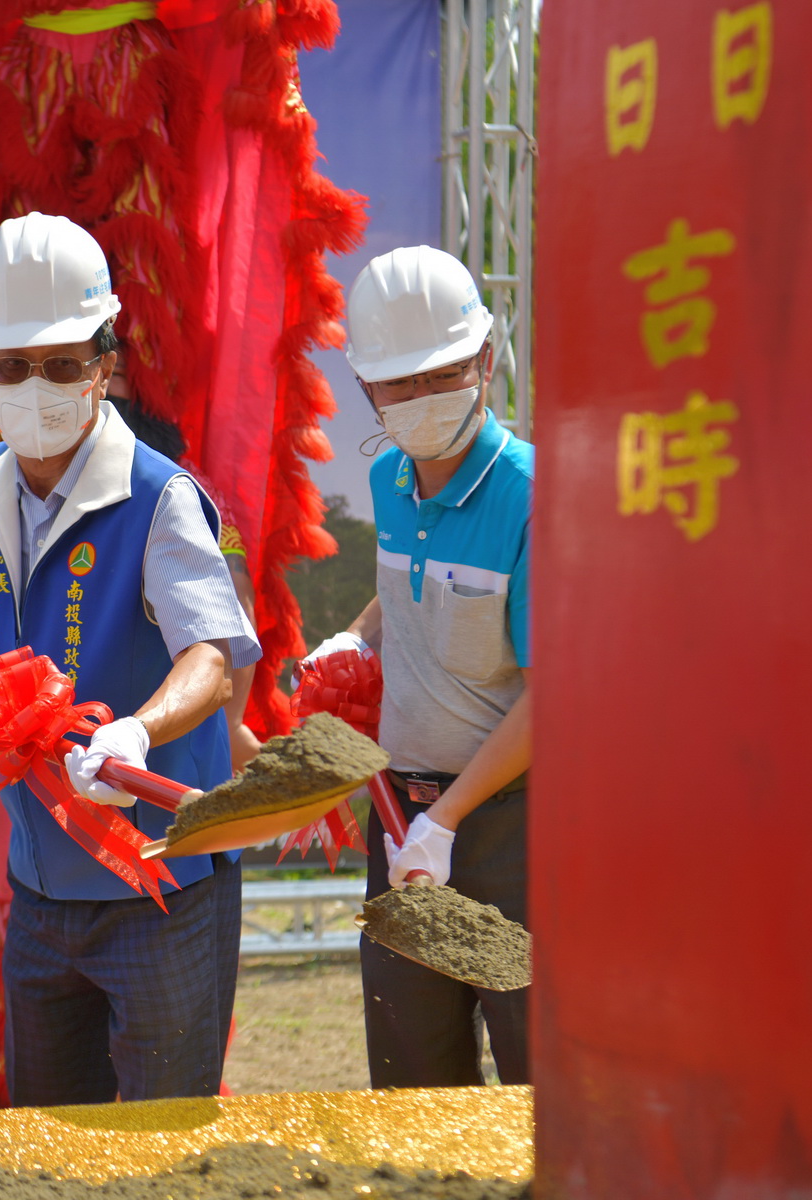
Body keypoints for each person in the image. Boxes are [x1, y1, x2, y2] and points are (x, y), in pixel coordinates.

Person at [0, 212, 261, 1106]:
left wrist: (137, 733)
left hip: (161, 889)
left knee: (161, 1146)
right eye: (12, 367)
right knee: (47, 1139)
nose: (36, 386)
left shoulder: (159, 496)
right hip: (40, 891)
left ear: (106, 363)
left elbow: (212, 656)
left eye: (63, 364)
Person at [298, 245, 532, 1088]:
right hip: (401, 820)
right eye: (399, 385)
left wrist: (449, 821)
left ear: (487, 359)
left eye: (443, 375)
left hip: (513, 834)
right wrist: (354, 638)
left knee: (540, 1086)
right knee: (412, 1082)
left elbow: (556, 699)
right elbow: (404, 593)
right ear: (366, 389)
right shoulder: (392, 479)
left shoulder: (534, 499)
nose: (421, 400)